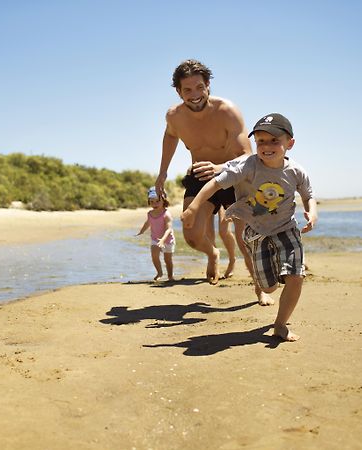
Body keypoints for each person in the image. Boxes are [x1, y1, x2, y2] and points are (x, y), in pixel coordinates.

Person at [181, 113, 318, 341]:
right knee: (270, 287)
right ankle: (270, 280)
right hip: (256, 232)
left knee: (296, 275)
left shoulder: (296, 171)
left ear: (289, 143)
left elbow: (308, 195)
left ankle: (280, 325)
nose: (267, 146)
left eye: (275, 140)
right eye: (261, 141)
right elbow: (215, 183)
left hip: (286, 228)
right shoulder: (248, 165)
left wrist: (312, 213)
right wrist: (194, 207)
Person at [155, 59, 272, 305]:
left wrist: (220, 167)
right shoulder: (174, 116)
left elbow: (248, 155)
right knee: (191, 234)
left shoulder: (227, 111)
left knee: (243, 238)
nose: (194, 95)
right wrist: (162, 173)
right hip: (200, 175)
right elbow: (170, 136)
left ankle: (259, 289)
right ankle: (212, 253)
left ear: (208, 85)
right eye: (187, 90)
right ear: (178, 91)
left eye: (199, 87)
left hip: (233, 176)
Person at [136, 187, 175, 281]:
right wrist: (142, 231)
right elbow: (148, 223)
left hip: (167, 240)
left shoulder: (166, 214)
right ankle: (159, 272)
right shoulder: (150, 213)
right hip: (155, 239)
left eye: (157, 201)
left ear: (164, 200)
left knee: (168, 260)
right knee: (154, 255)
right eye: (152, 201)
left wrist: (162, 240)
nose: (154, 204)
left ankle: (170, 276)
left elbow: (169, 229)